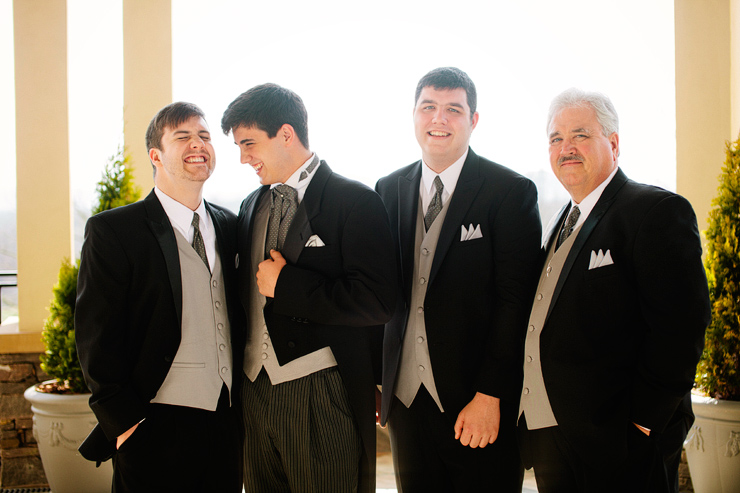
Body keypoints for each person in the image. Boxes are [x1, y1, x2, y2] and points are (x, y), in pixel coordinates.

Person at [517, 88, 711, 493]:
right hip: (555, 438)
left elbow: (681, 327)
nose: (566, 148)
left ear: (614, 143)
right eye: (556, 139)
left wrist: (644, 422)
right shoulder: (558, 223)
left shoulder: (655, 212)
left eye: (580, 135)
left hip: (621, 442)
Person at [221, 83, 397, 493]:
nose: (244, 158)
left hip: (322, 392)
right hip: (254, 393)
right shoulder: (251, 205)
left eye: (249, 144)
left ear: (285, 134)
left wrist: (289, 286)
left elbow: (378, 301)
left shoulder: (356, 201)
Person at [375, 67, 542, 492]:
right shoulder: (387, 188)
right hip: (406, 401)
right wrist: (378, 380)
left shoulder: (510, 191)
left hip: (477, 403)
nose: (439, 119)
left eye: (453, 109)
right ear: (413, 115)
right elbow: (377, 293)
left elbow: (515, 302)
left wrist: (491, 394)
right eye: (428, 107)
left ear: (474, 120)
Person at [75, 102, 243, 492]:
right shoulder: (114, 231)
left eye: (203, 136)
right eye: (182, 136)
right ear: (156, 155)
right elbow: (95, 335)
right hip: (152, 422)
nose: (197, 144)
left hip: (226, 422)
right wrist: (123, 424)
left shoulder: (231, 225)